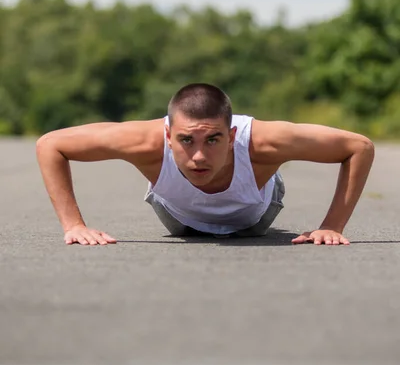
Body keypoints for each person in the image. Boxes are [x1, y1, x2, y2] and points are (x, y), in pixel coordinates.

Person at [36, 83, 375, 246]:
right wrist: (73, 225)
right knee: (184, 217)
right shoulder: (144, 141)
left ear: (231, 134)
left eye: (212, 140)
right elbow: (51, 145)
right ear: (168, 135)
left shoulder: (265, 141)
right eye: (186, 140)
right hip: (178, 215)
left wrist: (333, 225)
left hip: (254, 215)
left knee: (255, 209)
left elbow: (358, 147)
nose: (199, 156)